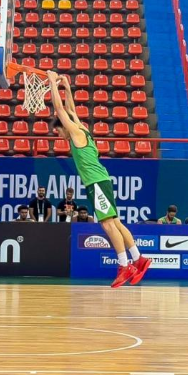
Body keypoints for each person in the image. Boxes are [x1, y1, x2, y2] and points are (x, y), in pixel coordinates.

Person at [47, 71, 151, 288]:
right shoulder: (82, 128)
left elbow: (60, 110)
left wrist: (51, 82)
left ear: (63, 127)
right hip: (102, 180)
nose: (58, 136)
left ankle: (124, 265)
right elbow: (70, 110)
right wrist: (66, 84)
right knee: (115, 222)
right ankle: (138, 258)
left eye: (57, 131)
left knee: (106, 224)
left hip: (96, 182)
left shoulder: (74, 132)